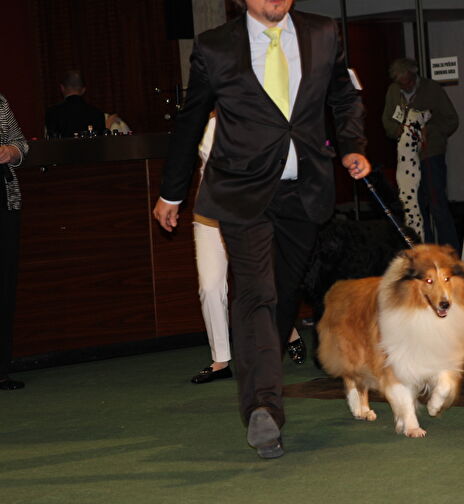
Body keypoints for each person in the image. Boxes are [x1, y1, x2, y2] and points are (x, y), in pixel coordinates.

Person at [152, 0, 369, 459]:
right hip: (241, 193)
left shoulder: (323, 32)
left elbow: (344, 95)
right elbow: (191, 120)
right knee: (255, 293)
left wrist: (351, 145)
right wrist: (172, 192)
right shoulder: (214, 47)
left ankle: (261, 384)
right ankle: (263, 409)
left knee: (284, 298)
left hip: (303, 191)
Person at [190, 115, 306, 385]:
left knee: (258, 284)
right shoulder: (210, 125)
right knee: (209, 287)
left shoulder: (259, 121)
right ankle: (221, 361)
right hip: (209, 217)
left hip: (247, 218)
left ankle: (286, 331)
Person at [382, 58, 460, 251]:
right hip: (407, 159)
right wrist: (397, 130)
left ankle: (451, 253)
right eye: (401, 83)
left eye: (408, 81)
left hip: (430, 155)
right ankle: (426, 251)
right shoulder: (393, 92)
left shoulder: (432, 89)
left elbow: (452, 120)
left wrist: (430, 129)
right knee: (416, 206)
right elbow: (387, 122)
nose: (405, 86)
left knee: (437, 204)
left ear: (414, 75)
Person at [0, 94, 29, 390]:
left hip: (4, 204)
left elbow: (22, 144)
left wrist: (11, 152)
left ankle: (1, 369)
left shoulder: (0, 103)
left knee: (4, 287)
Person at [45, 70, 105, 138]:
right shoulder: (97, 113)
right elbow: (101, 143)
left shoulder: (53, 113)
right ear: (83, 90)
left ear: (62, 88)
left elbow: (51, 143)